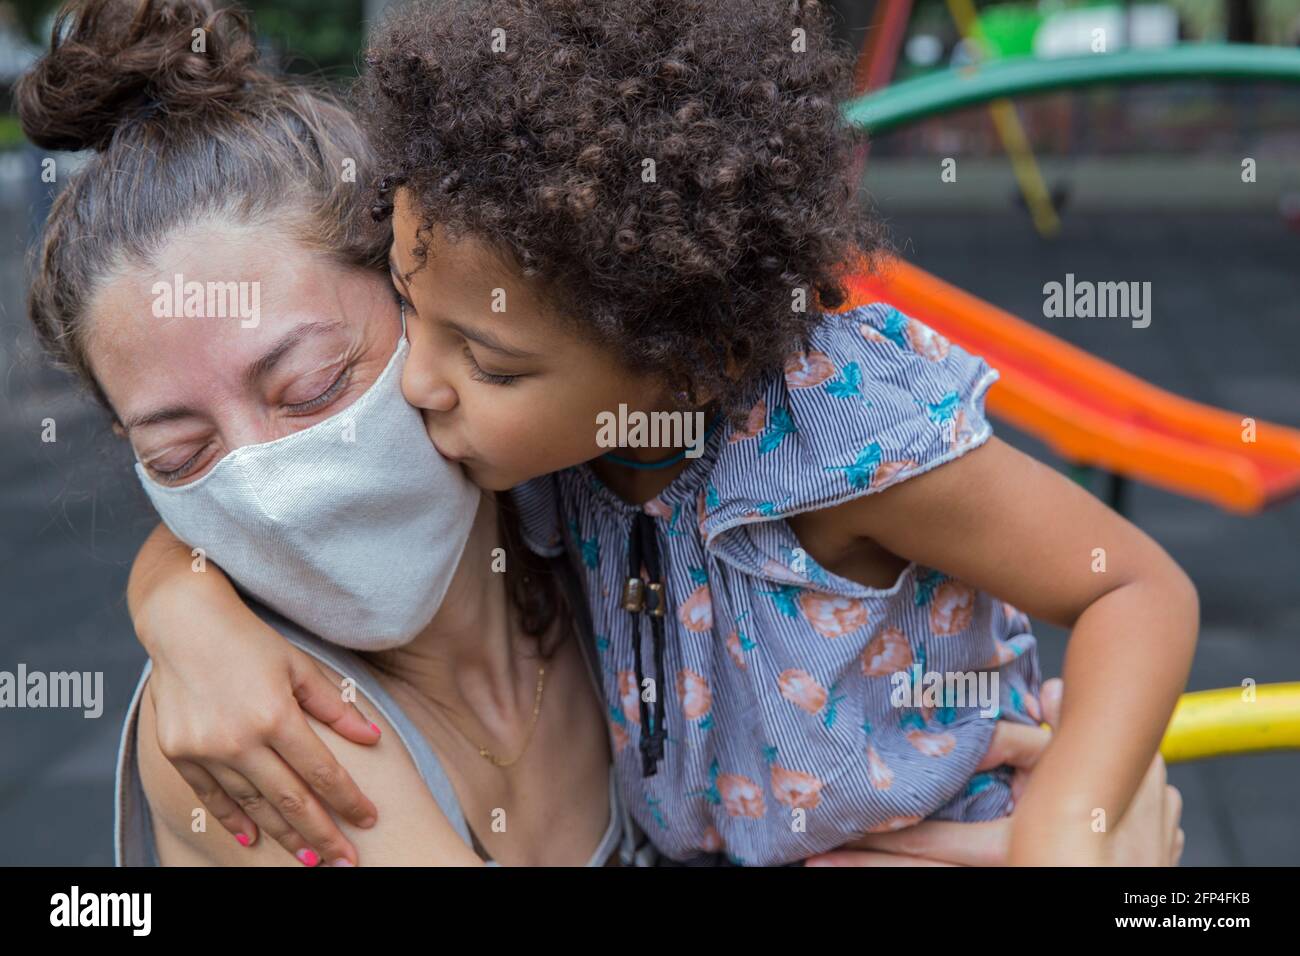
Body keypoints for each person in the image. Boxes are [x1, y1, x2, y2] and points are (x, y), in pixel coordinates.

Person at [45, 0, 1188, 866]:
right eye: (179, 452)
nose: (270, 486)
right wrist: (183, 608)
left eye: (312, 385)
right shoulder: (273, 721)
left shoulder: (622, 461)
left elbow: (1128, 590)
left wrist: (1073, 831)